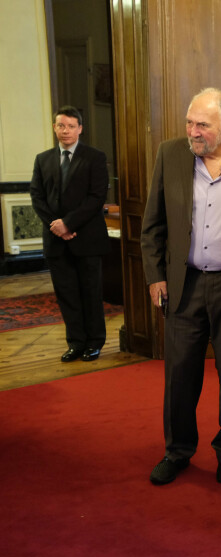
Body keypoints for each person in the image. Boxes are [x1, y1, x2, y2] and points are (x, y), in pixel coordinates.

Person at [141, 88, 221, 486]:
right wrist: (155, 275)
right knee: (179, 374)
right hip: (185, 282)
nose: (192, 132)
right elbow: (152, 223)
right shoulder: (170, 154)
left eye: (202, 125)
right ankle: (177, 450)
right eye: (189, 123)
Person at [30, 105, 110, 363]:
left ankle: (94, 343)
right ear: (54, 127)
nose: (66, 131)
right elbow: (37, 196)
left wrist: (69, 224)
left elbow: (97, 197)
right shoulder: (43, 159)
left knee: (90, 293)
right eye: (61, 126)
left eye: (71, 126)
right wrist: (56, 226)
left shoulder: (95, 157)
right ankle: (75, 342)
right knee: (67, 296)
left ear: (80, 129)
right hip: (56, 241)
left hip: (86, 238)